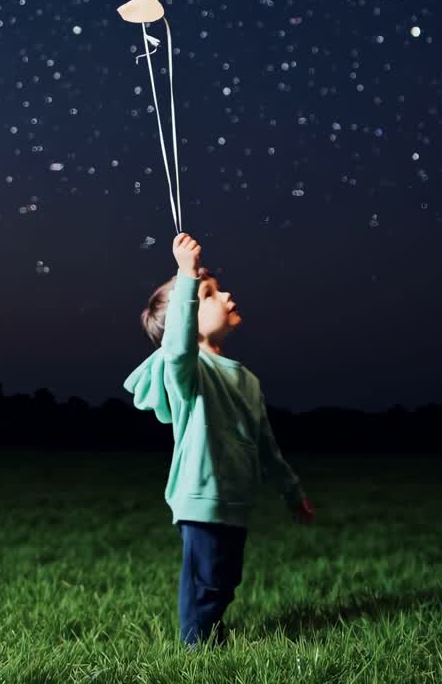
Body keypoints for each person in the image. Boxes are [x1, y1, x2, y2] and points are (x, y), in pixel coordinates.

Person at [123, 231, 314, 650]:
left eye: (215, 289)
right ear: (188, 318)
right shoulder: (187, 371)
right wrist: (187, 275)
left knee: (226, 580)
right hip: (200, 495)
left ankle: (210, 632)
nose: (226, 295)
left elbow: (266, 445)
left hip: (235, 498)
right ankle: (197, 649)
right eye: (209, 294)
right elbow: (176, 348)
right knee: (205, 581)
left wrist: (292, 491)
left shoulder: (247, 379)